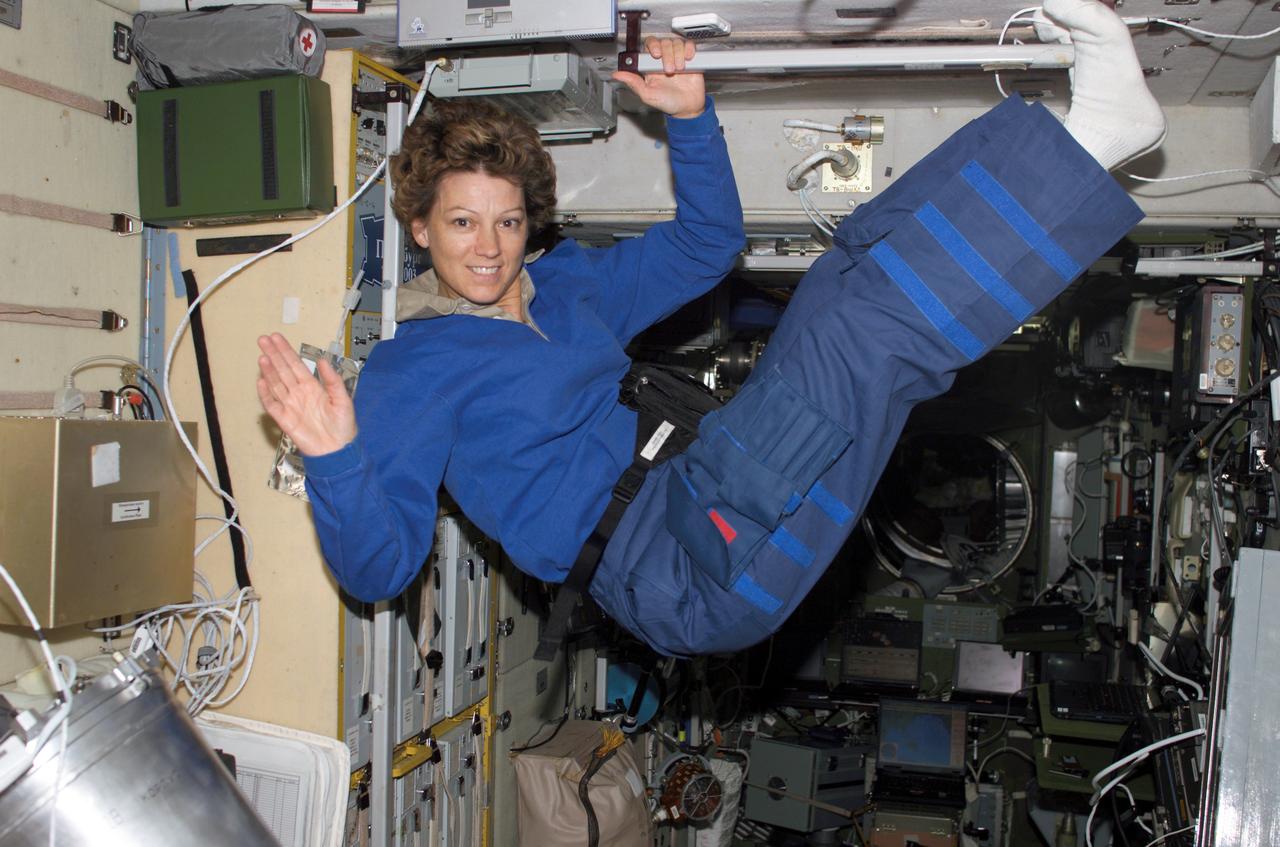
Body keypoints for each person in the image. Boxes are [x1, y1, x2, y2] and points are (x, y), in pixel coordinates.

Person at [257, 0, 1164, 657]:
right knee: (858, 337)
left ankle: (1081, 132)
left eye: (507, 220)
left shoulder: (564, 288)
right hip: (681, 573)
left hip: (696, 490)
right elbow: (380, 568)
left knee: (843, 273)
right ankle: (1095, 136)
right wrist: (335, 456)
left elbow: (707, 246)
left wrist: (689, 118)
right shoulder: (413, 370)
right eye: (460, 224)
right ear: (418, 227)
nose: (490, 249)